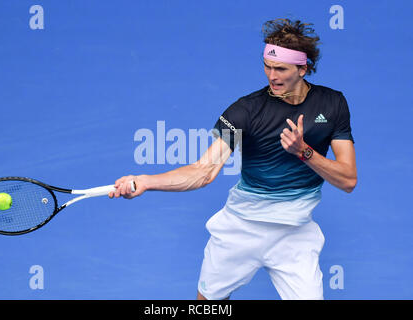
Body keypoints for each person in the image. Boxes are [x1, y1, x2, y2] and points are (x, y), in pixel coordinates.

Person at [109, 18, 357, 300]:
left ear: (303, 68)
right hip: (241, 228)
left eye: (280, 69)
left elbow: (348, 180)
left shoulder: (333, 104)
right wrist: (145, 181)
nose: (271, 76)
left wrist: (304, 152)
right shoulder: (245, 111)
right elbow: (204, 170)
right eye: (267, 66)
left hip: (295, 235)